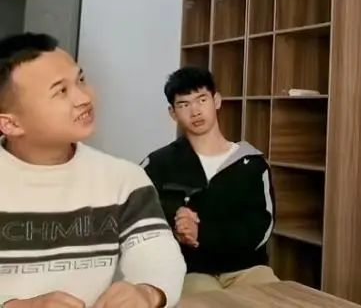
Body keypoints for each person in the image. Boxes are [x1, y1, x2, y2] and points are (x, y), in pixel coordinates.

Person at [0, 33, 185, 307]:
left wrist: (148, 292)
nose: (85, 97)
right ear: (11, 124)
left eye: (81, 80)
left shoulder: (123, 179)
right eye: (61, 91)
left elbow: (159, 256)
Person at [141, 67, 277, 297]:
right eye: (184, 104)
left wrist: (201, 233)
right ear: (173, 113)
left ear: (216, 101)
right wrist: (176, 224)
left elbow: (261, 228)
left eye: (201, 100)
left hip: (247, 268)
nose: (195, 111)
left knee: (276, 299)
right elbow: (137, 217)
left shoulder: (252, 163)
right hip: (190, 270)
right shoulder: (157, 163)